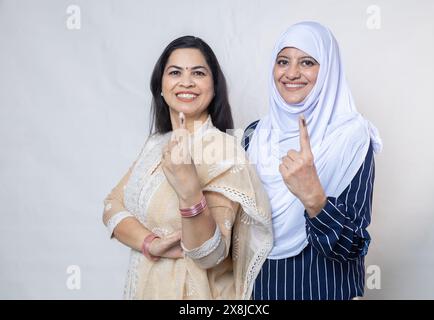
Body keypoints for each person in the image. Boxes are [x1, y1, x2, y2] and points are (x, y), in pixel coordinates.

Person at [102, 36, 272, 299]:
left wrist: (189, 187)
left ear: (214, 87)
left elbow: (210, 254)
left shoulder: (225, 151)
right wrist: (151, 244)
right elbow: (112, 205)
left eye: (198, 73)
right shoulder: (156, 144)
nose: (186, 82)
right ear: (160, 85)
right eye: (175, 72)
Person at [243, 21, 382, 300]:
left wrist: (314, 198)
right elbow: (239, 232)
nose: (291, 73)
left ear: (328, 70)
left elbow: (352, 246)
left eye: (307, 62)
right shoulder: (254, 136)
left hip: (325, 290)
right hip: (260, 292)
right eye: (283, 61)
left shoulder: (350, 137)